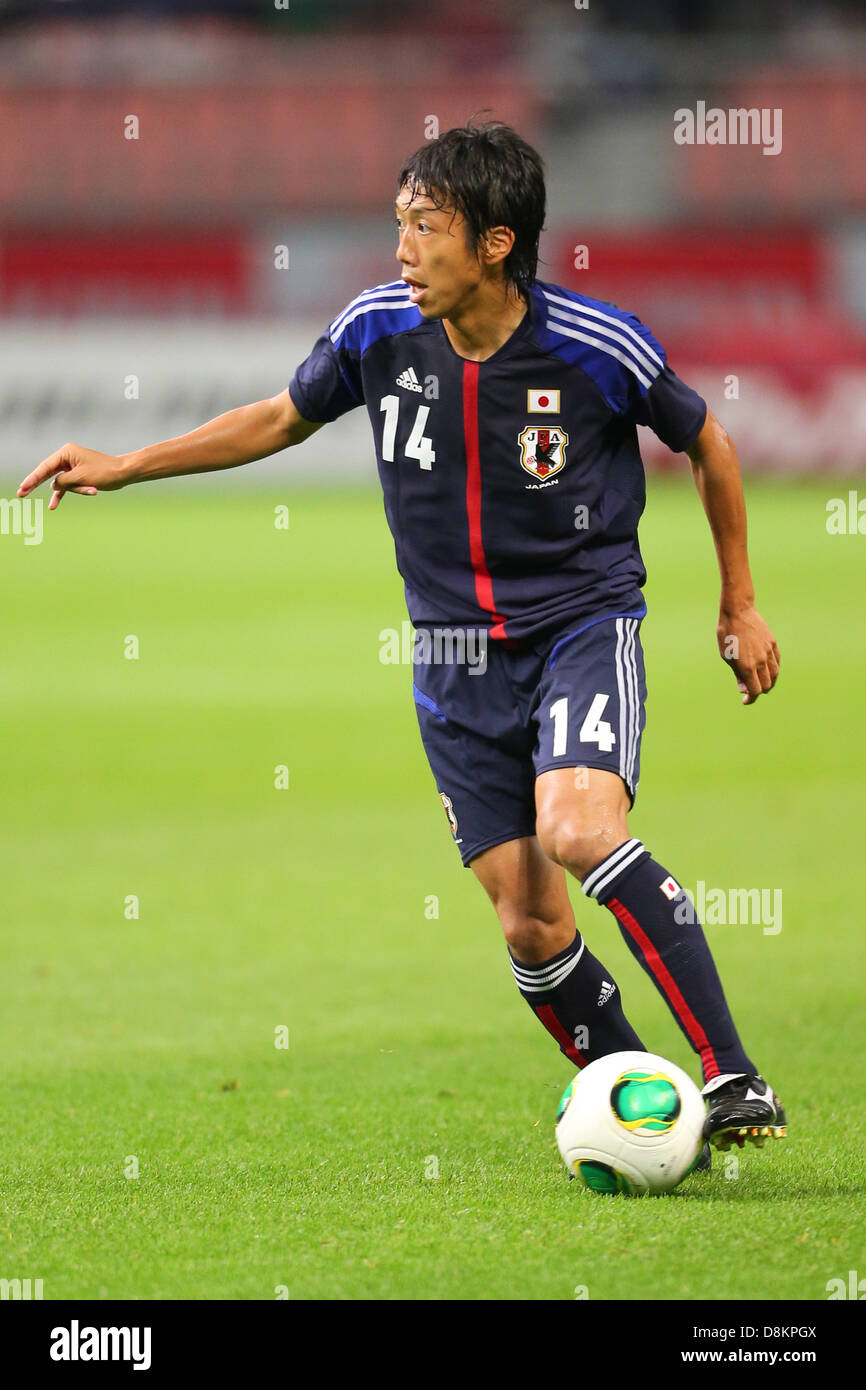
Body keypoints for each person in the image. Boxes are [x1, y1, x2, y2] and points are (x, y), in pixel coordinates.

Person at [17, 121, 786, 1157]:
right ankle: (654, 1118)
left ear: (495, 243)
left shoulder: (597, 345)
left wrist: (736, 604)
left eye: (425, 227)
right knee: (529, 923)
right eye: (399, 224)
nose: (402, 249)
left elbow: (708, 440)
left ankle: (733, 1075)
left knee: (577, 824)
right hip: (452, 658)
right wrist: (126, 462)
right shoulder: (377, 329)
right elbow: (279, 418)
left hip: (578, 626)